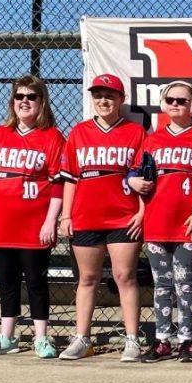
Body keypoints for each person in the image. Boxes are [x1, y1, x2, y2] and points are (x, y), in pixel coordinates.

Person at [0, 75, 65, 359]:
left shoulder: (52, 137)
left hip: (35, 224)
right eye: (19, 96)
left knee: (36, 280)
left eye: (31, 96)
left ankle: (41, 338)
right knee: (7, 281)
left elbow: (58, 185)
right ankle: (7, 336)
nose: (24, 101)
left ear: (41, 101)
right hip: (2, 222)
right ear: (12, 102)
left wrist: (51, 220)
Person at [128, 81, 192, 363]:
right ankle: (162, 340)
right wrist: (131, 180)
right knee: (162, 285)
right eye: (171, 100)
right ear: (163, 104)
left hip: (189, 223)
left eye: (183, 100)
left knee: (185, 283)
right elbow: (133, 172)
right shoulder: (152, 139)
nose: (176, 104)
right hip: (157, 222)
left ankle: (187, 340)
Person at [57, 73, 145, 362]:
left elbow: (144, 178)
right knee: (88, 278)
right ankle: (82, 337)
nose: (103, 100)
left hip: (123, 217)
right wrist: (65, 216)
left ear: (122, 99)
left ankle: (132, 339)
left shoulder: (135, 132)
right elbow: (70, 179)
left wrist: (142, 211)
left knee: (125, 276)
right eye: (98, 95)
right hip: (85, 216)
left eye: (110, 95)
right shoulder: (79, 133)